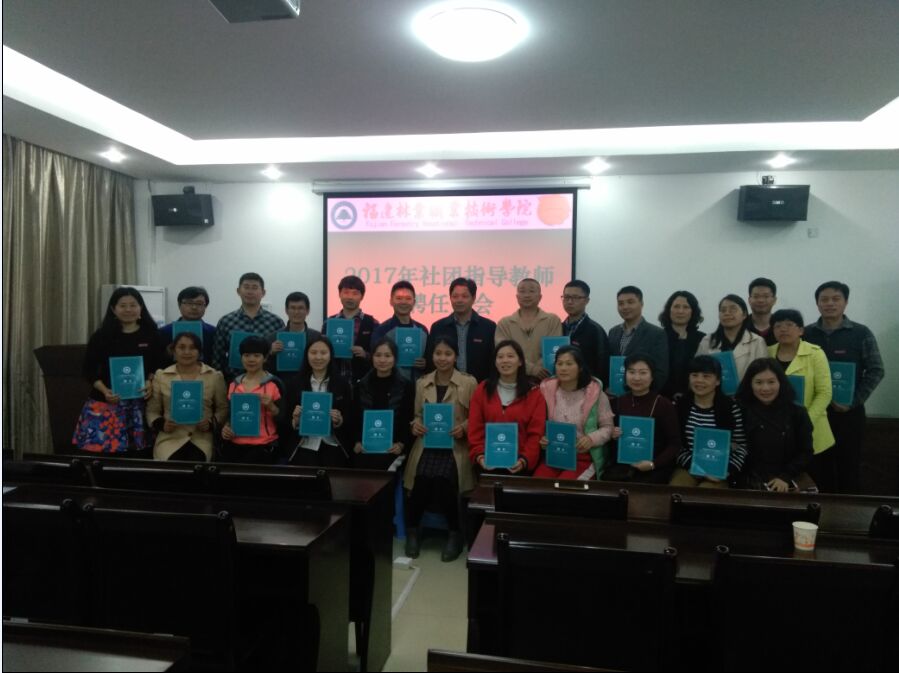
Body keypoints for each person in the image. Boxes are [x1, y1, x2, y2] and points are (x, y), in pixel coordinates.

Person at [803, 281, 885, 494]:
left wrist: (854, 401)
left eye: (836, 299)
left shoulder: (861, 333)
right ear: (817, 304)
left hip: (849, 415)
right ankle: (818, 512)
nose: (829, 303)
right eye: (824, 299)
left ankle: (847, 514)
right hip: (816, 414)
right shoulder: (806, 333)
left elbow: (876, 370)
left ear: (846, 302)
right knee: (818, 468)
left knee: (849, 469)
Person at [404, 336, 478, 562]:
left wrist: (464, 428)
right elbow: (417, 414)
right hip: (427, 443)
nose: (442, 358)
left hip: (455, 445)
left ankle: (455, 534)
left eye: (448, 354)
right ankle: (413, 531)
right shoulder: (422, 382)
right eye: (438, 353)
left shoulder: (469, 382)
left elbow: (476, 417)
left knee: (443, 479)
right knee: (420, 478)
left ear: (456, 356)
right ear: (432, 356)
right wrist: (415, 424)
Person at [73, 287, 165, 455]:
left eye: (133, 305)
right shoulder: (101, 336)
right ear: (113, 309)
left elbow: (159, 365)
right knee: (103, 455)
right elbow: (89, 369)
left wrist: (150, 382)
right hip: (107, 401)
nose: (128, 309)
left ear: (141, 307)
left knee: (139, 455)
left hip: (140, 403)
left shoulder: (152, 334)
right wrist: (105, 391)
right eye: (123, 305)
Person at [769, 308, 835, 490]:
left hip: (813, 431)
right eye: (778, 326)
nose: (783, 329)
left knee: (816, 485)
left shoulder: (815, 353)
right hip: (777, 431)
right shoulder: (767, 353)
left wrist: (804, 422)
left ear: (801, 330)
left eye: (789, 324)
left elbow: (824, 393)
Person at [534, 345, 613, 480]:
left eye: (569, 364)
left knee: (565, 487)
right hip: (555, 454)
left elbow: (608, 428)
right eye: (559, 364)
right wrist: (543, 439)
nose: (563, 368)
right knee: (538, 485)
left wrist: (591, 439)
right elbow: (538, 424)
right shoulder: (546, 390)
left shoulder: (595, 393)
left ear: (580, 367)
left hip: (583, 457)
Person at [468, 340, 546, 475]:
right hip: (486, 463)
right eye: (500, 357)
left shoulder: (534, 393)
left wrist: (524, 460)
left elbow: (535, 434)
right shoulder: (483, 389)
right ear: (495, 362)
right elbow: (475, 428)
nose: (505, 360)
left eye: (510, 356)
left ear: (520, 361)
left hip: (520, 465)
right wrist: (480, 456)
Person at [147, 331, 228, 461]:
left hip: (201, 438)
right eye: (181, 347)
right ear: (173, 350)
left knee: (197, 464)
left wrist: (210, 423)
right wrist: (162, 424)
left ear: (199, 352)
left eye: (192, 348)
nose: (187, 352)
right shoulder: (161, 376)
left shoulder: (214, 376)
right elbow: (152, 411)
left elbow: (223, 408)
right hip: (170, 438)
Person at [736, 358, 814, 492]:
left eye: (771, 382)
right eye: (759, 382)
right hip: (748, 479)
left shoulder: (797, 412)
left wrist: (785, 477)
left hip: (787, 478)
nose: (765, 388)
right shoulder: (739, 410)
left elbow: (806, 452)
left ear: (781, 382)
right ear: (750, 384)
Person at [669, 356, 747, 488]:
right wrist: (694, 466)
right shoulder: (680, 405)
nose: (699, 380)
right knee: (678, 487)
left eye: (706, 376)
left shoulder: (731, 408)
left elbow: (741, 446)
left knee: (706, 492)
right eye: (694, 375)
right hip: (688, 466)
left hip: (720, 469)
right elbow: (674, 443)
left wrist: (727, 470)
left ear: (718, 381)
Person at [602, 354, 680, 484]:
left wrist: (653, 464)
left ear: (652, 376)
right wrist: (613, 435)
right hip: (622, 466)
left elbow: (675, 444)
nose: (636, 378)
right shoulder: (617, 402)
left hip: (654, 467)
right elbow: (610, 441)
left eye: (643, 373)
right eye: (631, 372)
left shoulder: (664, 405)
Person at [287, 335, 353, 468]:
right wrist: (295, 420)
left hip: (333, 442)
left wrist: (339, 420)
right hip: (304, 444)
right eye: (313, 352)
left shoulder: (342, 384)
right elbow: (284, 418)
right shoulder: (295, 383)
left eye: (323, 353)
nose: (318, 357)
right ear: (306, 355)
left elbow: (350, 416)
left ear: (331, 355)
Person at [352, 338, 415, 470]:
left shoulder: (406, 386)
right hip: (365, 448)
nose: (382, 360)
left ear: (395, 358)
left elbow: (407, 419)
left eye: (387, 356)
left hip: (393, 448)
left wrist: (401, 444)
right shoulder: (361, 386)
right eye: (378, 355)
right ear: (372, 357)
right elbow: (355, 418)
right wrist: (356, 442)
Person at [220, 336, 283, 463]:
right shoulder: (233, 384)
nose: (251, 359)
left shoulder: (275, 384)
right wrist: (226, 428)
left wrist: (271, 406)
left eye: (256, 355)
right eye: (247, 355)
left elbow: (283, 419)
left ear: (265, 358)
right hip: (235, 444)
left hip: (264, 445)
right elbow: (230, 416)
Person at [213, 273, 285, 381]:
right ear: (238, 291)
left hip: (267, 383)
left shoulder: (276, 322)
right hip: (233, 381)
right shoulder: (226, 321)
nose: (250, 292)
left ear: (263, 292)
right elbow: (217, 357)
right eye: (246, 287)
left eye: (255, 288)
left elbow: (282, 358)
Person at [427, 277, 497, 382]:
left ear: (473, 298)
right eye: (455, 296)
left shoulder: (488, 327)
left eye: (465, 296)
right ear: (450, 298)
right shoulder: (438, 327)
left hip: (480, 386)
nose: (459, 300)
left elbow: (493, 361)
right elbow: (431, 361)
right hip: (446, 387)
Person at [495, 278, 563, 379]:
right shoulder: (504, 323)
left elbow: (554, 350)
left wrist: (538, 369)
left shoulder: (553, 320)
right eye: (522, 291)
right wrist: (531, 369)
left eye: (531, 291)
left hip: (544, 377)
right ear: (517, 296)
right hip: (513, 378)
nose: (527, 295)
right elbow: (503, 352)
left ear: (540, 297)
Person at [608, 286, 669, 391]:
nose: (625, 307)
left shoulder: (656, 334)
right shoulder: (613, 332)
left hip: (642, 395)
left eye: (630, 302)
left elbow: (661, 371)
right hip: (614, 393)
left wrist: (645, 395)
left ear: (641, 304)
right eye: (621, 303)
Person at [696, 294, 767, 384]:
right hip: (713, 391)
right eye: (723, 310)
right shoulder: (707, 341)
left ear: (744, 314)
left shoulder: (757, 341)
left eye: (733, 309)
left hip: (746, 391)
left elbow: (763, 374)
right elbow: (697, 370)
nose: (727, 313)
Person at [322, 275, 380, 385]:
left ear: (362, 296)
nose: (350, 297)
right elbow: (321, 351)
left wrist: (365, 354)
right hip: (334, 381)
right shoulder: (329, 323)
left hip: (364, 382)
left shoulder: (373, 323)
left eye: (355, 293)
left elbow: (381, 355)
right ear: (339, 294)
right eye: (346, 292)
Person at [371, 280, 429, 381]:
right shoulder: (381, 330)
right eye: (398, 298)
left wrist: (426, 363)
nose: (403, 302)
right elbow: (374, 360)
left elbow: (431, 358)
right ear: (391, 301)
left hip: (419, 385)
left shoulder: (422, 330)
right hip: (390, 385)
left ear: (414, 302)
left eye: (408, 298)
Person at [560, 280, 610, 386]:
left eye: (575, 297)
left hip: (587, 388)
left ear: (587, 300)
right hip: (561, 387)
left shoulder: (596, 330)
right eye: (566, 297)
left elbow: (603, 365)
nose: (569, 302)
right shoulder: (558, 328)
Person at [658, 290, 705, 399]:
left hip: (695, 397)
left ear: (693, 311)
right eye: (676, 306)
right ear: (669, 310)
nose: (680, 311)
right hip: (661, 397)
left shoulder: (703, 339)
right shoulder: (658, 337)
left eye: (686, 307)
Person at [268, 291, 322, 379]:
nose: (296, 312)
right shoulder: (273, 338)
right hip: (281, 383)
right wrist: (270, 353)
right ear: (286, 311)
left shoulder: (317, 337)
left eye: (301, 308)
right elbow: (264, 368)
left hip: (308, 383)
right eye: (292, 308)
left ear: (307, 311)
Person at [159, 286, 216, 364]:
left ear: (205, 306)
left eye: (199, 304)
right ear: (179, 305)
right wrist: (167, 354)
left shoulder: (213, 332)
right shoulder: (164, 332)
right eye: (189, 303)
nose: (194, 307)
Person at [746, 277, 778, 346]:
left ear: (774, 300)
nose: (761, 300)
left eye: (766, 296)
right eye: (756, 296)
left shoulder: (781, 327)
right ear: (749, 300)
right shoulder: (740, 326)